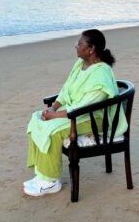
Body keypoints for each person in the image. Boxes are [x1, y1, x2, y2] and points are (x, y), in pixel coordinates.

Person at [23, 29, 128, 196]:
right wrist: (53, 107)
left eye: (80, 43)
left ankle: (50, 182)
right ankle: (42, 174)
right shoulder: (80, 65)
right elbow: (66, 90)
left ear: (91, 48)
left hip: (94, 117)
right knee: (37, 118)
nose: (76, 46)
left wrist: (54, 116)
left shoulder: (101, 73)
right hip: (75, 113)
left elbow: (84, 106)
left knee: (53, 130)